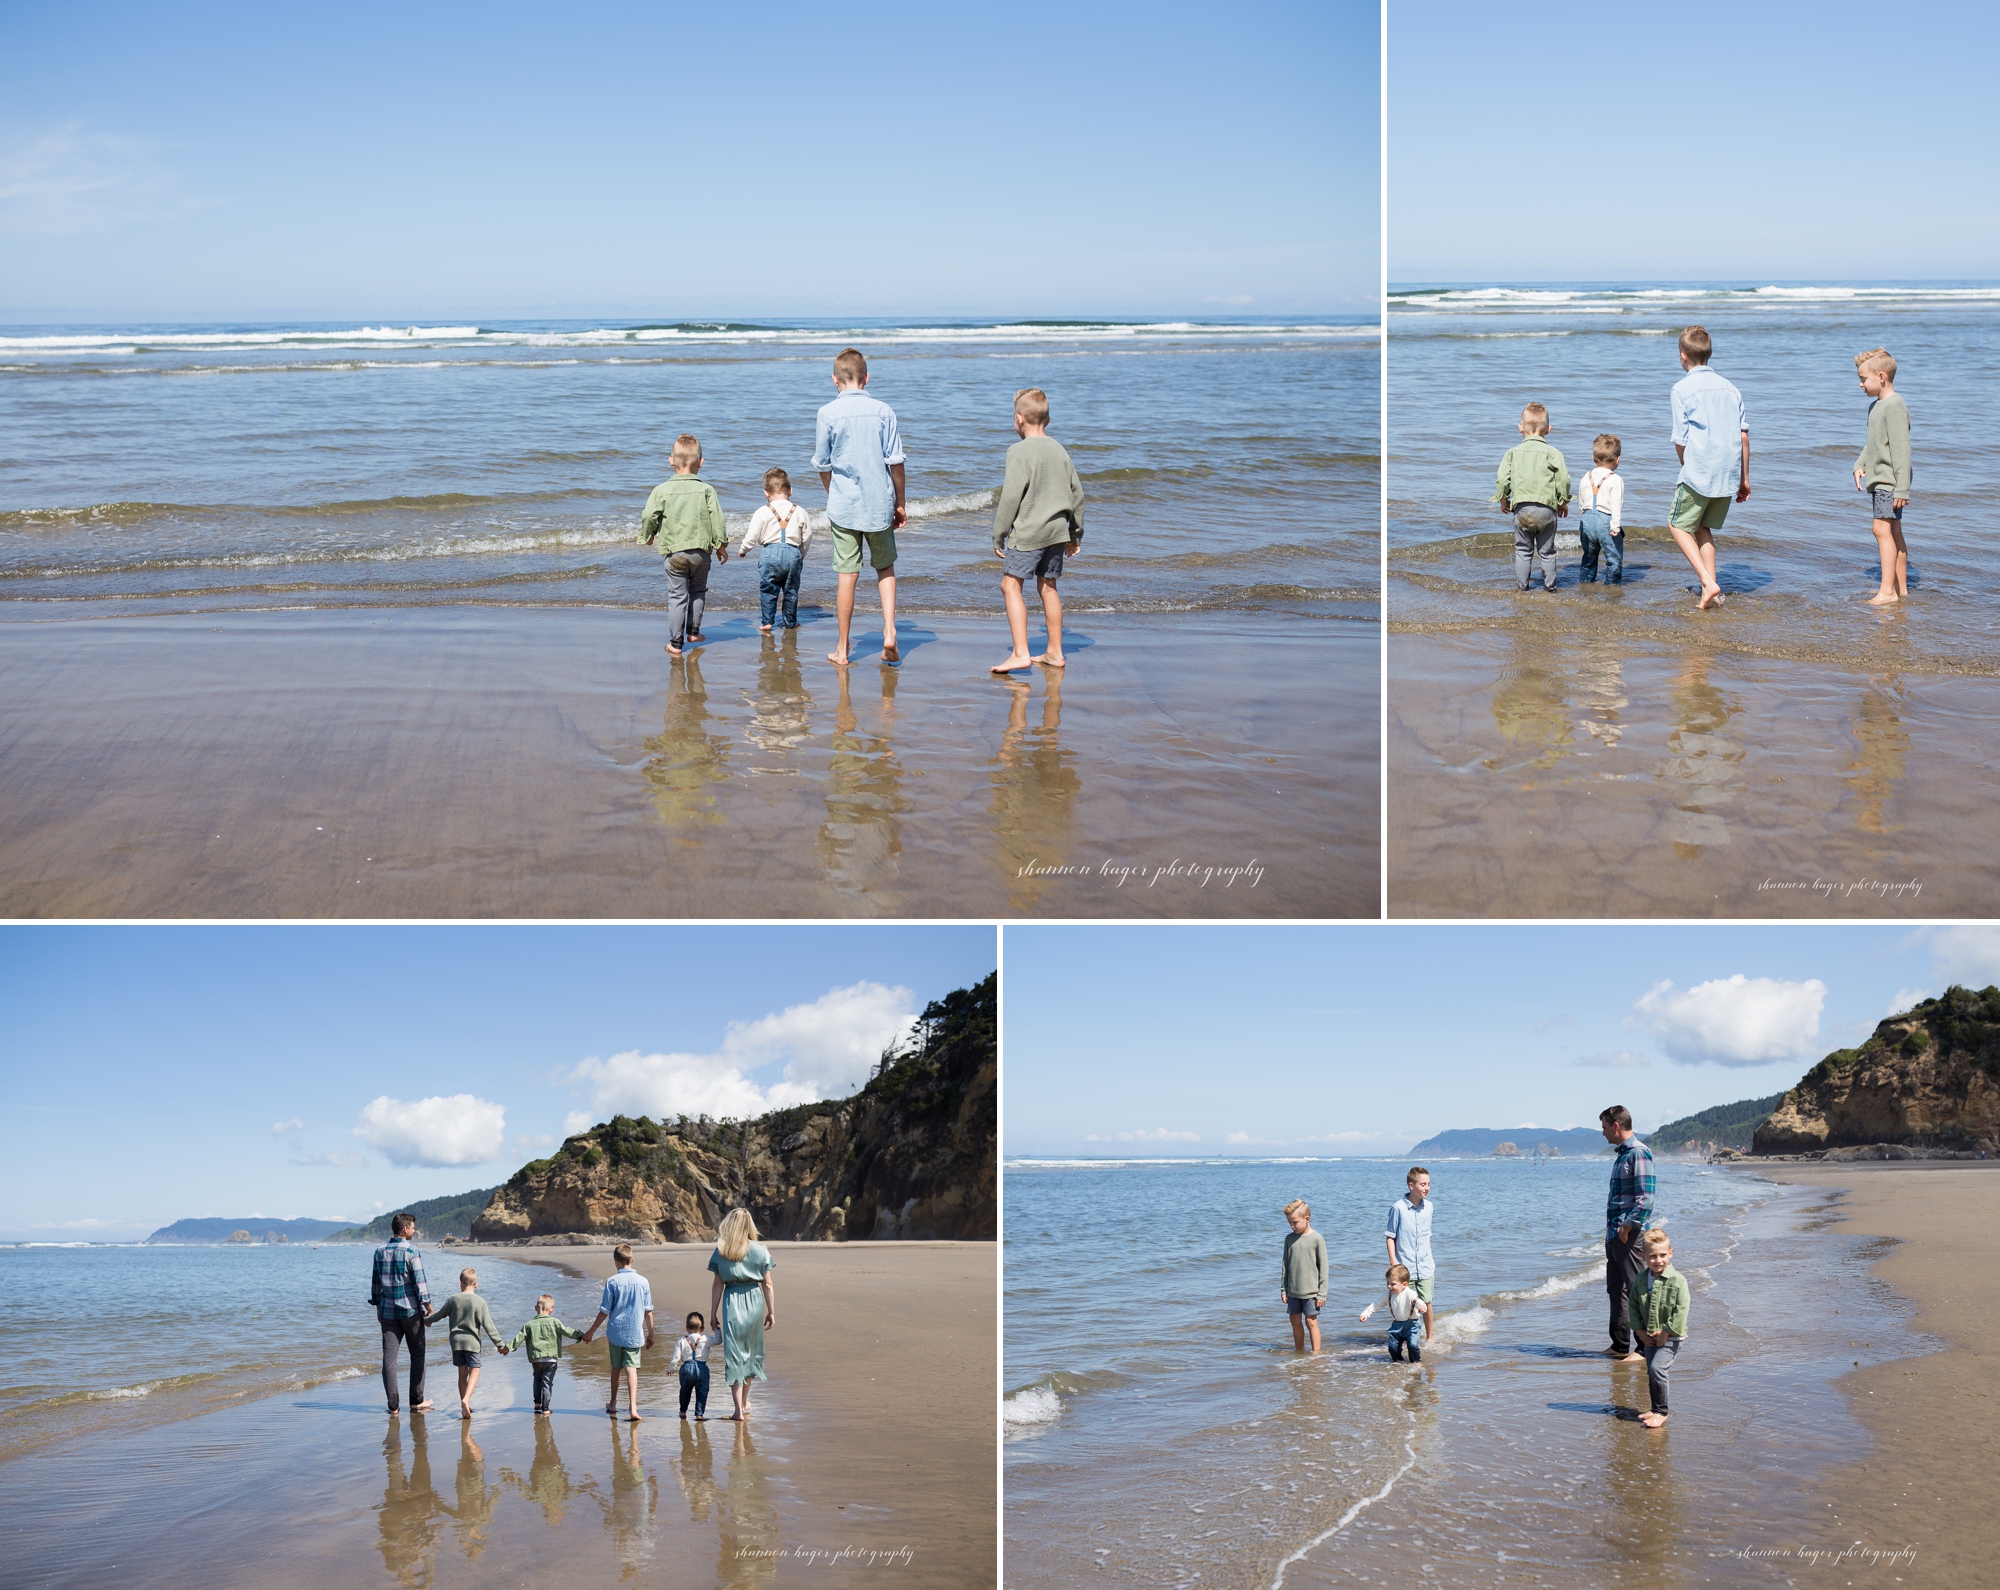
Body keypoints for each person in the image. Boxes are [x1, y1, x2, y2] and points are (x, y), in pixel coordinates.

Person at [812, 347, 906, 666]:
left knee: (846, 575)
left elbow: (823, 464)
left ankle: (842, 648)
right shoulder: (884, 411)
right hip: (879, 502)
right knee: (885, 568)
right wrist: (901, 502)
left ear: (834, 380)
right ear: (866, 378)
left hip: (844, 505)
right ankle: (890, 631)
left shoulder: (827, 413)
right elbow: (895, 463)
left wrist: (832, 492)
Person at [989, 386, 1085, 675]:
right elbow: (1077, 494)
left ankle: (1020, 653)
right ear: (1048, 420)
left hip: (1029, 532)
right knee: (1048, 586)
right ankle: (1055, 652)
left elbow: (1010, 497)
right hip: (1057, 532)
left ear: (1019, 419)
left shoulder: (1018, 451)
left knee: (1010, 585)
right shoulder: (1059, 449)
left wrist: (999, 533)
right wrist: (1075, 533)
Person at [1668, 325, 1750, 610]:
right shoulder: (1730, 387)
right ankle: (1712, 591)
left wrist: (1684, 464)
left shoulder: (1681, 388)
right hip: (1728, 471)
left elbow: (1681, 439)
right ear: (1710, 354)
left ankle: (1707, 580)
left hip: (1700, 469)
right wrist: (1744, 480)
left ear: (1683, 356)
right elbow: (1743, 436)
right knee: (1703, 527)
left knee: (1676, 524)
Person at [639, 433, 730, 657]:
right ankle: (694, 632)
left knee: (677, 597)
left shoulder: (661, 490)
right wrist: (721, 545)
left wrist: (647, 536)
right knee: (698, 591)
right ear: (701, 462)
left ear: (671, 461)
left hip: (674, 553)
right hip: (701, 553)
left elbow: (650, 515)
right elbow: (718, 520)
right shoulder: (707, 490)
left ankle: (676, 644)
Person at [1852, 347, 1913, 606]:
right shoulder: (1875, 406)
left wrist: (1902, 490)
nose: (1860, 384)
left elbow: (1902, 451)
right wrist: (1859, 463)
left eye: (1863, 379)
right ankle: (1899, 590)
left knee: (1880, 528)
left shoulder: (1895, 406)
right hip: (1881, 479)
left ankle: (1887, 591)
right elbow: (1873, 443)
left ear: (1881, 377)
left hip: (1890, 481)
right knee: (1893, 531)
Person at [1491, 402, 1571, 592]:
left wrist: (1504, 500)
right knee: (1547, 552)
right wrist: (1563, 502)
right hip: (1547, 509)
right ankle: (1550, 588)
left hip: (1522, 510)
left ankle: (1522, 587)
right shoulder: (1554, 453)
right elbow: (1563, 480)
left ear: (1521, 428)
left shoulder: (1512, 453)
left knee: (1523, 550)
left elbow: (1502, 480)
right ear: (1548, 429)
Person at [706, 1207, 777, 1420]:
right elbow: (768, 1284)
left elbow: (717, 1285)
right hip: (754, 1301)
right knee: (750, 1354)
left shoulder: (721, 1250)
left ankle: (738, 1409)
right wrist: (771, 1311)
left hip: (732, 1301)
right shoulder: (760, 1249)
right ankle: (744, 1402)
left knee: (734, 1356)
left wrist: (712, 1313)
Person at [1599, 1104, 1656, 1362]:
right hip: (1614, 1234)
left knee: (1636, 1290)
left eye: (1604, 1127)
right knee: (1615, 1289)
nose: (1603, 1133)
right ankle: (1620, 1344)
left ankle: (1644, 1349)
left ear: (1616, 1126)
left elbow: (1646, 1198)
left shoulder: (1639, 1153)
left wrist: (1626, 1227)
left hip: (1628, 1236)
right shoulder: (1622, 1154)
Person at [581, 1242, 656, 1421]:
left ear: (616, 1262)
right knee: (631, 1369)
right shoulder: (643, 1282)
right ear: (632, 1259)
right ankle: (633, 1407)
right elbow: (648, 1311)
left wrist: (590, 1332)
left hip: (616, 1333)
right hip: (635, 1333)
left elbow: (604, 1311)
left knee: (616, 1368)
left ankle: (613, 1403)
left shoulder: (612, 1282)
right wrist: (651, 1334)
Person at [369, 1212, 434, 1416]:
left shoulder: (379, 1252)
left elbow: (376, 1285)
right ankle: (416, 1401)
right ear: (405, 1229)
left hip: (388, 1313)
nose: (414, 1230)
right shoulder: (412, 1251)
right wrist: (430, 1309)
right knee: (418, 1354)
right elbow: (419, 1283)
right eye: (413, 1227)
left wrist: (379, 1308)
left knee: (389, 1360)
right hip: (411, 1312)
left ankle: (393, 1406)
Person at [425, 1266, 508, 1419]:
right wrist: (500, 1344)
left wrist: (425, 1320)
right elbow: (488, 1325)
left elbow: (438, 1315)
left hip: (456, 1343)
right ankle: (466, 1399)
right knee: (475, 1370)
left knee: (462, 1374)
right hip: (472, 1343)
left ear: (460, 1283)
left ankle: (465, 1407)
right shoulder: (480, 1302)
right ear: (476, 1284)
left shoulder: (453, 1299)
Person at [737, 467, 813, 631]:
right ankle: (790, 622)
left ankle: (767, 622)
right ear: (790, 491)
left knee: (768, 589)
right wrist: (801, 554)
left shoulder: (762, 511)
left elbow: (752, 535)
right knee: (791, 591)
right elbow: (807, 536)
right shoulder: (800, 511)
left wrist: (744, 549)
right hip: (793, 554)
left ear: (766, 492)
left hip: (769, 553)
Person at [1628, 1229, 1689, 1429]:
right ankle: (1654, 1409)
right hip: (1647, 1336)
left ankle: (1662, 1412)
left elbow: (1681, 1311)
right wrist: (1639, 1332)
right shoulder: (1640, 1280)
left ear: (1671, 1253)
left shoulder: (1678, 1280)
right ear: (1642, 1256)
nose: (1658, 1260)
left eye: (1662, 1255)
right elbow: (1633, 1306)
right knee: (1651, 1373)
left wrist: (1666, 1332)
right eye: (1652, 1256)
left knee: (1657, 1369)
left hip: (1671, 1336)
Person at [503, 1292, 586, 1418]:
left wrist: (507, 1348)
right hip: (551, 1359)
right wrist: (580, 1335)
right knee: (547, 1383)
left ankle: (537, 1403)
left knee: (537, 1379)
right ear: (551, 1309)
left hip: (536, 1359)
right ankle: (545, 1408)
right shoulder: (555, 1322)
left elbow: (518, 1338)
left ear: (536, 1308)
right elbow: (567, 1331)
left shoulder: (529, 1324)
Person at [1384, 1165, 1436, 1313]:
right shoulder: (1398, 1208)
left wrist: (1430, 1263)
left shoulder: (1429, 1207)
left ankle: (1429, 1337)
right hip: (1405, 1267)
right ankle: (1406, 1335)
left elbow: (1427, 1235)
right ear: (1411, 1186)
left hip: (1426, 1267)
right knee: (1405, 1306)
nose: (1427, 1188)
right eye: (1423, 1184)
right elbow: (1390, 1237)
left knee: (1427, 1304)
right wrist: (1394, 1262)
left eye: (1429, 1184)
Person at [1575, 434, 1626, 584]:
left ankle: (1586, 584)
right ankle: (1612, 587)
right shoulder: (1615, 479)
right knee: (1613, 559)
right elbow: (1616, 504)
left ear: (1593, 458)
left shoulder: (1586, 476)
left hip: (1586, 520)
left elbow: (1581, 500)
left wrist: (1584, 516)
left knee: (1589, 558)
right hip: (1606, 521)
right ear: (1618, 459)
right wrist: (1615, 526)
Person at [1279, 1198, 1327, 1353]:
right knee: (1294, 1321)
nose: (1292, 1226)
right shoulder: (1289, 1239)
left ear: (1307, 1219)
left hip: (1311, 1292)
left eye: (1295, 1222)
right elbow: (1285, 1265)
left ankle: (1316, 1354)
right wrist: (1284, 1289)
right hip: (1293, 1290)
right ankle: (1299, 1352)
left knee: (1311, 1322)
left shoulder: (1317, 1239)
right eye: (1289, 1223)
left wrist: (1322, 1294)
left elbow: (1324, 1268)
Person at [1359, 1263, 1433, 1362]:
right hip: (1397, 1325)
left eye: (1393, 1284)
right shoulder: (1388, 1295)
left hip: (1413, 1324)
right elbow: (1376, 1304)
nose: (1389, 1286)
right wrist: (1365, 1313)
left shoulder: (1410, 1293)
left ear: (1404, 1284)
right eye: (1387, 1283)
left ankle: (1415, 1361)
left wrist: (1422, 1306)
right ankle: (1398, 1361)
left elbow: (1417, 1301)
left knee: (1412, 1345)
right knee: (1392, 1346)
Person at [670, 1309, 720, 1421]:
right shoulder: (705, 1339)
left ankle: (683, 1411)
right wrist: (716, 1328)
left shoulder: (681, 1340)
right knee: (702, 1391)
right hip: (702, 1369)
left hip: (686, 1368)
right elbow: (718, 1340)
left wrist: (671, 1368)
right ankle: (699, 1414)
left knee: (685, 1391)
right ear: (702, 1329)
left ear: (686, 1327)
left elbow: (676, 1357)